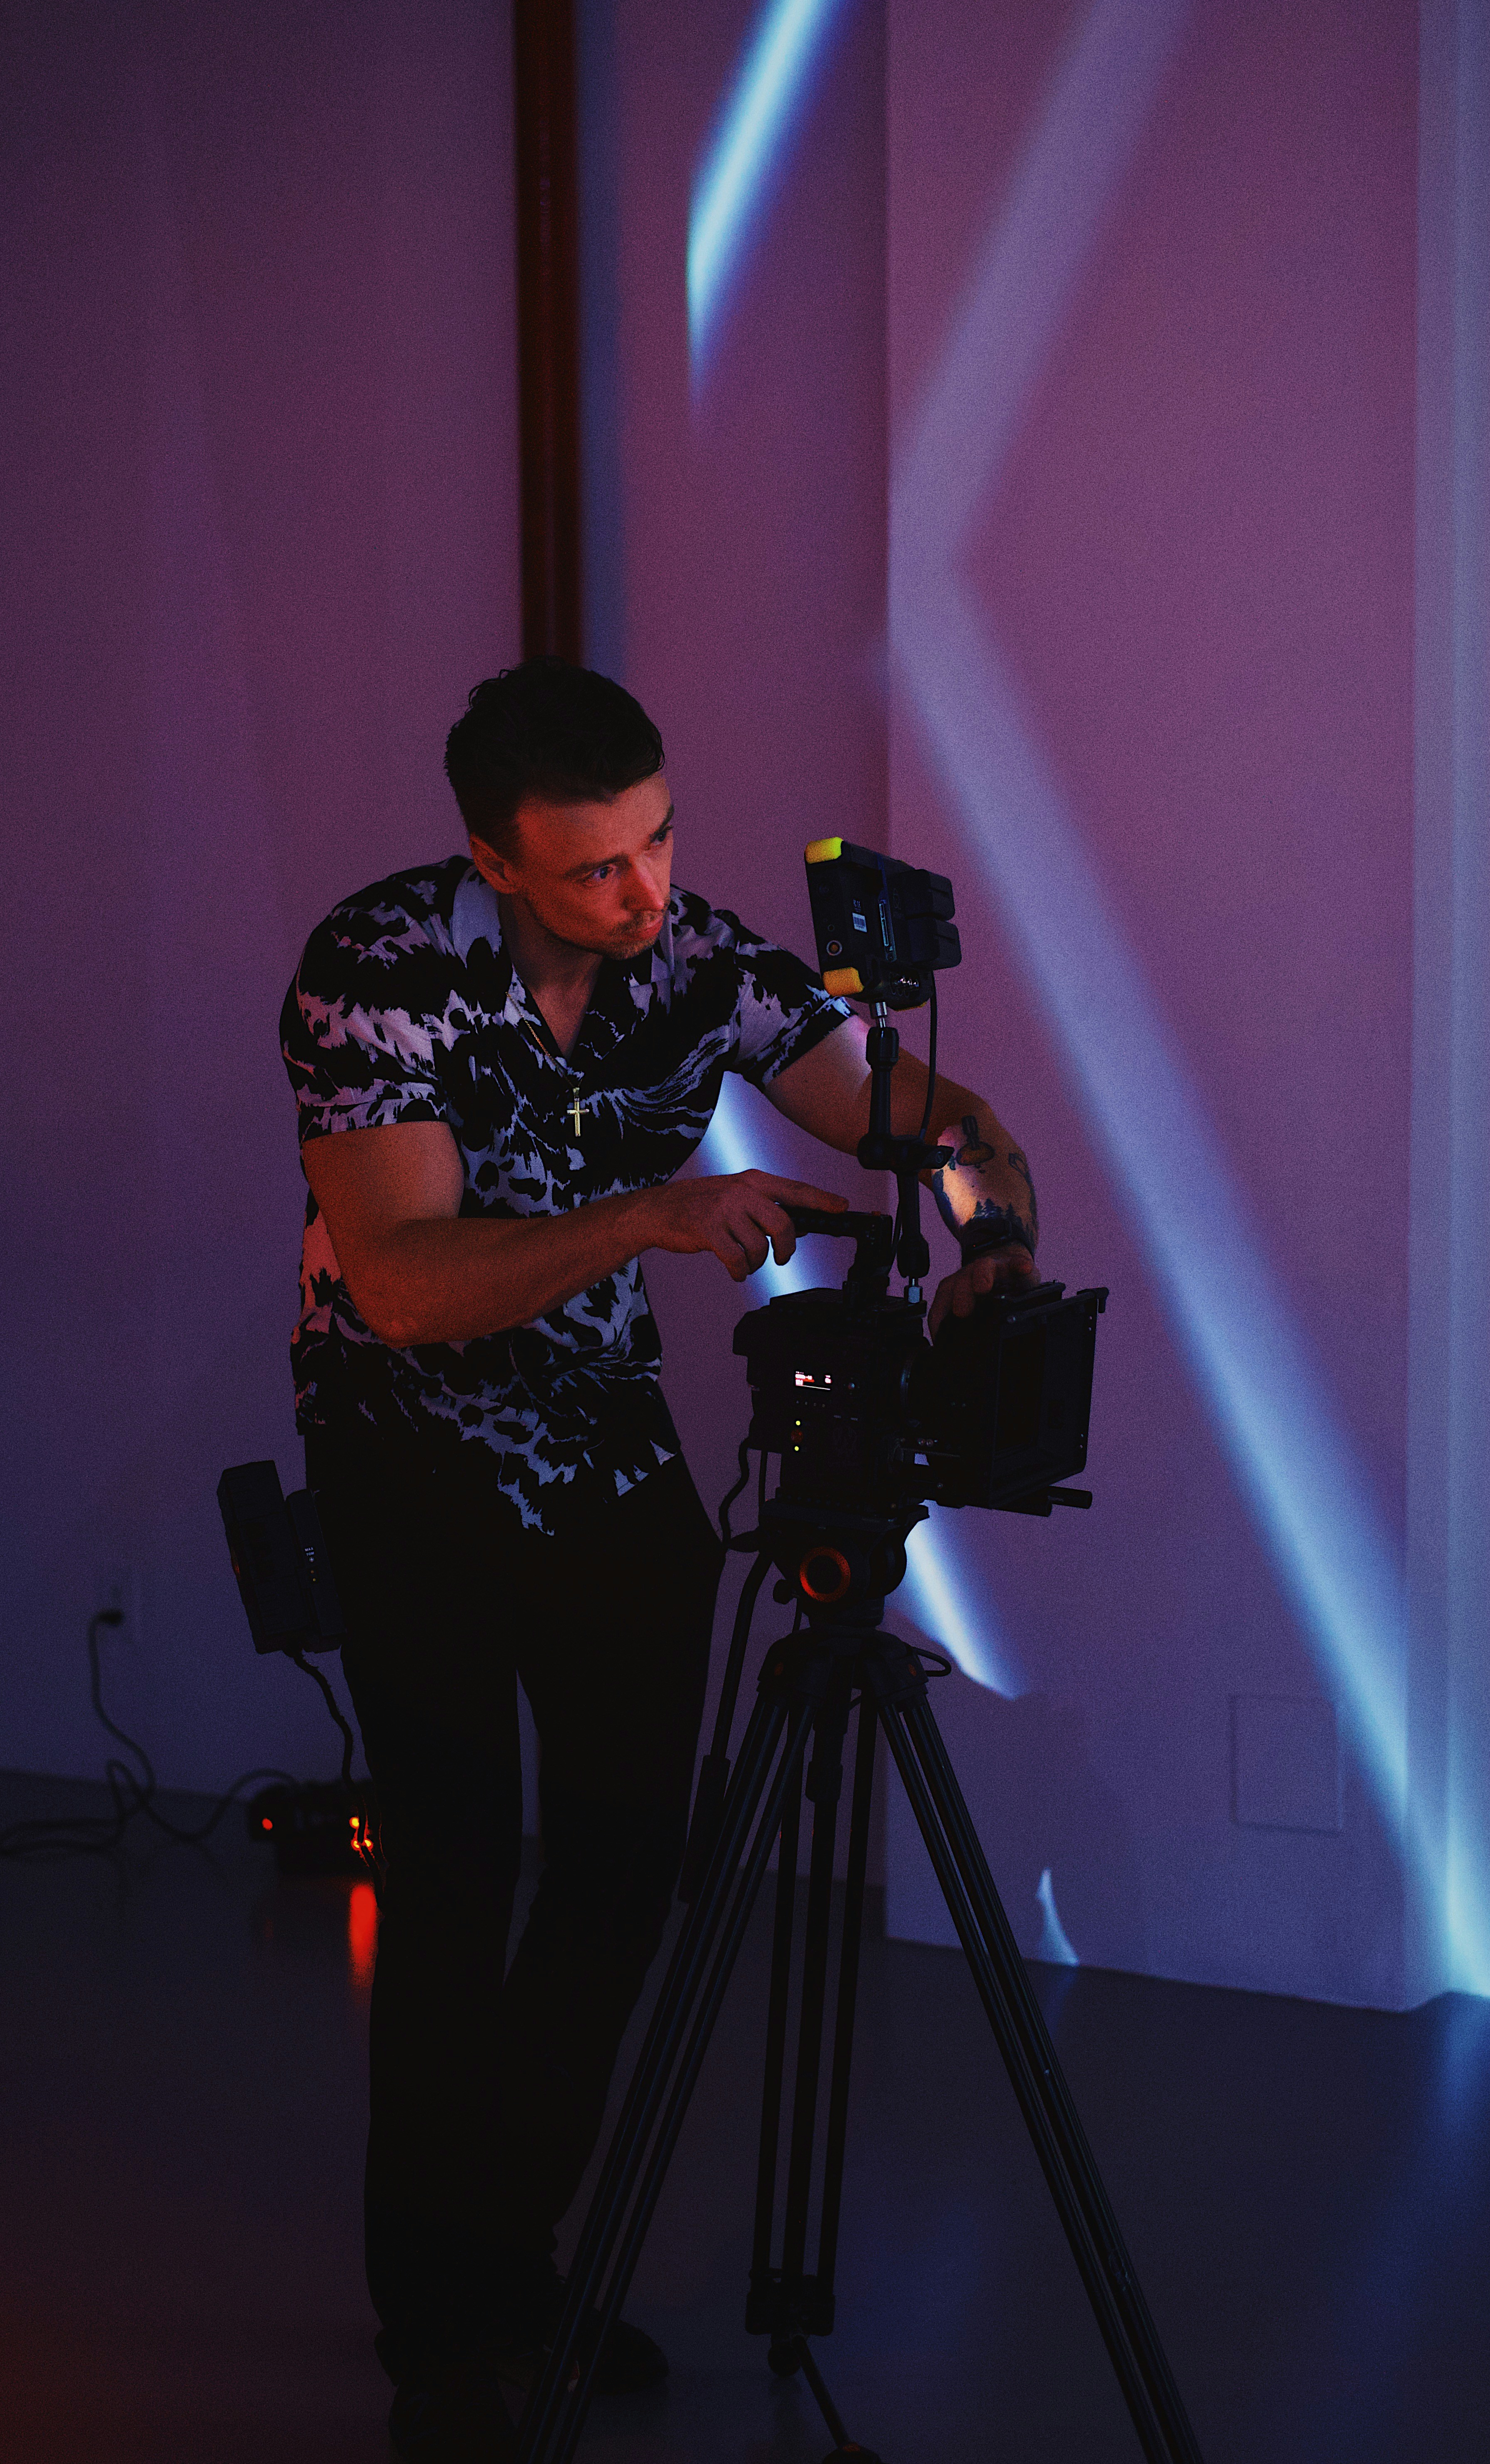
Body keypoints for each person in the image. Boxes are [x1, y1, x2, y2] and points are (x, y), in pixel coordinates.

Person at [279, 659, 1040, 2461]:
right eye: (594, 870)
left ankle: (524, 2260)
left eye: (658, 843)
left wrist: (990, 1232)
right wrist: (647, 1212)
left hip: (606, 1448)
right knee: (455, 1882)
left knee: (628, 1864)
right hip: (406, 1452)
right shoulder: (375, 969)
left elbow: (915, 1117)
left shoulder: (707, 960)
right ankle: (435, 2329)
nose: (644, 896)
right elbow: (397, 1281)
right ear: (491, 859)